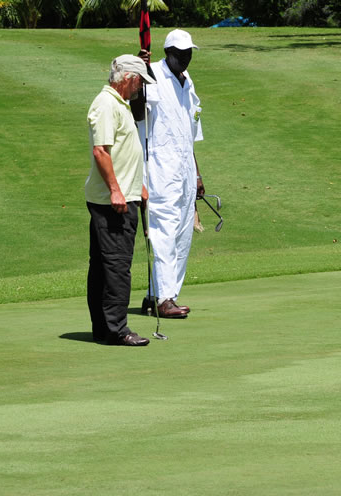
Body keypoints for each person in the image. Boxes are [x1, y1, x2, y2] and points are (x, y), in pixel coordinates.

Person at [85, 54, 156, 346]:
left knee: (105, 266)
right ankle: (117, 329)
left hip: (123, 195)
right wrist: (116, 190)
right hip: (113, 202)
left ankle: (104, 329)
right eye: (139, 81)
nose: (140, 87)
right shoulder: (106, 104)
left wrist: (138, 186)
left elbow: (124, 153)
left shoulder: (119, 103)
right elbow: (100, 151)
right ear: (128, 78)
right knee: (115, 267)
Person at [134, 29, 204, 319]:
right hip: (160, 169)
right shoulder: (151, 74)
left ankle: (158, 294)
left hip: (185, 169)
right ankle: (164, 299)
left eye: (188, 53)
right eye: (180, 54)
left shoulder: (188, 81)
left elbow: (190, 132)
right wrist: (140, 73)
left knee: (183, 234)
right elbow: (137, 111)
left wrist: (197, 174)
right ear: (168, 53)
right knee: (164, 232)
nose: (185, 58)